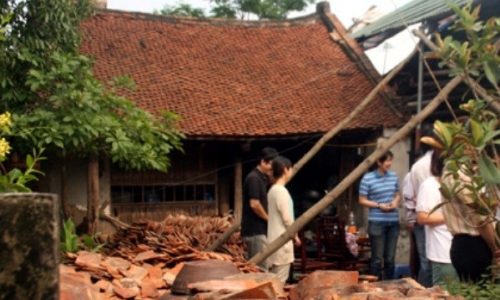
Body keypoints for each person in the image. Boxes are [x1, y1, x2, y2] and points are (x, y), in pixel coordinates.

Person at [416, 149, 458, 286]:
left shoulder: (459, 185)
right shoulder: (429, 186)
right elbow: (422, 218)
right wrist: (452, 216)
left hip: (460, 252)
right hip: (442, 253)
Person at [359, 150, 401, 280]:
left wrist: (395, 202)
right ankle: (374, 287)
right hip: (377, 222)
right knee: (377, 259)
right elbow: (362, 200)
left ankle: (389, 288)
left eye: (390, 160)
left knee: (390, 259)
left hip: (393, 222)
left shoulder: (393, 176)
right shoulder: (367, 178)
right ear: (378, 162)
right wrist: (379, 205)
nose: (389, 163)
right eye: (387, 160)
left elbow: (398, 194)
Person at [241, 147, 279, 270]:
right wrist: (269, 220)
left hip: (259, 230)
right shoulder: (254, 178)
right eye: (271, 165)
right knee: (259, 268)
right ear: (263, 162)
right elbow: (254, 204)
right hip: (254, 231)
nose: (272, 170)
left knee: (261, 266)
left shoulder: (263, 178)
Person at [267, 156, 301, 283]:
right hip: (281, 240)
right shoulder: (280, 191)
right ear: (286, 170)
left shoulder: (272, 191)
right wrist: (295, 235)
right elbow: (287, 219)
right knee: (279, 281)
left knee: (274, 279)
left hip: (273, 239)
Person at [409, 124, 434, 287]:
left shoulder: (417, 166)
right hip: (436, 218)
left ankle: (421, 293)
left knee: (426, 263)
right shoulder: (443, 163)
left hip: (424, 216)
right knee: (431, 263)